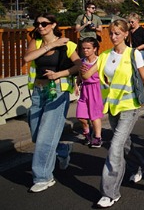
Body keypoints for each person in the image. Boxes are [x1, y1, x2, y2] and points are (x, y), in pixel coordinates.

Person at [96, 19, 144, 208]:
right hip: (113, 107)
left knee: (115, 147)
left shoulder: (133, 54)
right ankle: (140, 165)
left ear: (126, 34)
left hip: (130, 106)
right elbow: (92, 73)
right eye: (111, 33)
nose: (113, 37)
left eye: (117, 34)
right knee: (124, 145)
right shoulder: (105, 55)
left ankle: (109, 193)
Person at [23, 13, 80, 192]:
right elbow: (27, 58)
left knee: (45, 137)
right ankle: (62, 150)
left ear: (54, 25)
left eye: (44, 23)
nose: (40, 27)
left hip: (58, 93)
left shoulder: (67, 44)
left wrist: (58, 75)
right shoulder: (37, 42)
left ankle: (43, 177)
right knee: (36, 135)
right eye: (37, 23)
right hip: (38, 92)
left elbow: (78, 65)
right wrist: (51, 45)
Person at [76, 37, 104, 148]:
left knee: (94, 115)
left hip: (96, 89)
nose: (85, 50)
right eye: (83, 48)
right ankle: (87, 133)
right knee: (81, 116)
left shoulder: (99, 61)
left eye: (88, 48)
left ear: (95, 49)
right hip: (84, 89)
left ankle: (97, 137)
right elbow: (80, 74)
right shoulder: (82, 61)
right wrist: (77, 84)